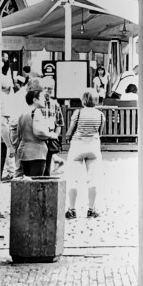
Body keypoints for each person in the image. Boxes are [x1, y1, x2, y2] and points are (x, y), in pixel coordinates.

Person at [63, 88, 104, 219]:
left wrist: (68, 138)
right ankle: (91, 209)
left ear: (83, 100)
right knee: (93, 179)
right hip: (93, 146)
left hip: (77, 146)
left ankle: (72, 209)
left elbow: (70, 131)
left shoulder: (78, 112)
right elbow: (100, 132)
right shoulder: (100, 114)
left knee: (73, 178)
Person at [11, 88, 53, 177]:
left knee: (26, 182)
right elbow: (39, 132)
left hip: (23, 151)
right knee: (36, 184)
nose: (45, 100)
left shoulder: (22, 113)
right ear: (35, 99)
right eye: (41, 97)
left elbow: (16, 134)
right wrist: (51, 135)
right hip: (36, 152)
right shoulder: (36, 112)